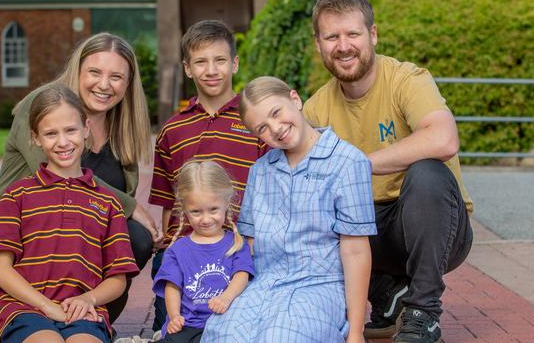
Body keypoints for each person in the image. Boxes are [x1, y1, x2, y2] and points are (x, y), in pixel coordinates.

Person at [303, 0, 474, 343]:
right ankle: (387, 295)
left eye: (353, 33)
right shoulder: (316, 108)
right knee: (310, 198)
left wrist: (360, 164)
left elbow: (443, 139)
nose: (343, 45)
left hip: (438, 226)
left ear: (373, 35)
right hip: (369, 229)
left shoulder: (407, 80)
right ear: (319, 44)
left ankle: (423, 313)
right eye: (332, 36)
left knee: (426, 173)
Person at [0, 33, 160, 343]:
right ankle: (12, 330)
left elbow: (115, 226)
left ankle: (90, 321)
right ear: (77, 70)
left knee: (138, 239)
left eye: (116, 76)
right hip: (29, 245)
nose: (104, 84)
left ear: (128, 84)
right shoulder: (45, 106)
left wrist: (89, 300)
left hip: (82, 261)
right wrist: (133, 206)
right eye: (95, 72)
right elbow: (58, 177)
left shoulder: (120, 128)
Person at [202, 76, 376, 343]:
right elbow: (249, 243)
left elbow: (355, 249)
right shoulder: (261, 170)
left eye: (276, 112)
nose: (276, 128)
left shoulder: (348, 162)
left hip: (320, 286)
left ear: (295, 99)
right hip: (264, 284)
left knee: (279, 336)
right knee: (222, 332)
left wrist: (356, 331)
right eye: (262, 127)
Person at [149, 20, 267, 332]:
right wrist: (171, 250)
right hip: (187, 249)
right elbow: (166, 199)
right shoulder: (173, 130)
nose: (211, 70)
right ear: (187, 68)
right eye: (200, 62)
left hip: (237, 249)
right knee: (173, 328)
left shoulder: (256, 120)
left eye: (220, 60)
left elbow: (272, 190)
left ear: (235, 63)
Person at [152, 160, 254, 343]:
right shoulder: (178, 250)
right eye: (196, 212)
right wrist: (174, 316)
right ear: (185, 210)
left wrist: (226, 298)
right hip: (188, 324)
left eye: (213, 209)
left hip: (226, 322)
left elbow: (242, 275)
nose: (206, 219)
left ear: (227, 203)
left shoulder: (237, 243)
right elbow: (172, 287)